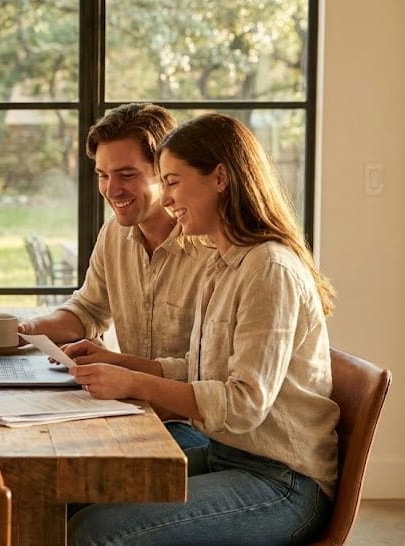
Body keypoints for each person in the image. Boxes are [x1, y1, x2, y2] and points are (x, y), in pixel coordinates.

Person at [65, 112, 339, 546]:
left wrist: (134, 381)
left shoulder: (269, 269)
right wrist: (121, 366)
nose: (167, 198)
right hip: (226, 456)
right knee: (68, 495)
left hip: (282, 481)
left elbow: (244, 403)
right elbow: (200, 367)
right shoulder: (222, 262)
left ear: (220, 178)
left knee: (95, 533)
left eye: (173, 182)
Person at [0, 103, 212, 448]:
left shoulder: (212, 249)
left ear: (165, 172)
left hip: (191, 425)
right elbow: (88, 311)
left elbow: (212, 374)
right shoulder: (114, 234)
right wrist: (26, 330)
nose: (111, 190)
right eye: (103, 175)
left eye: (127, 175)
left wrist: (120, 368)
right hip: (131, 407)